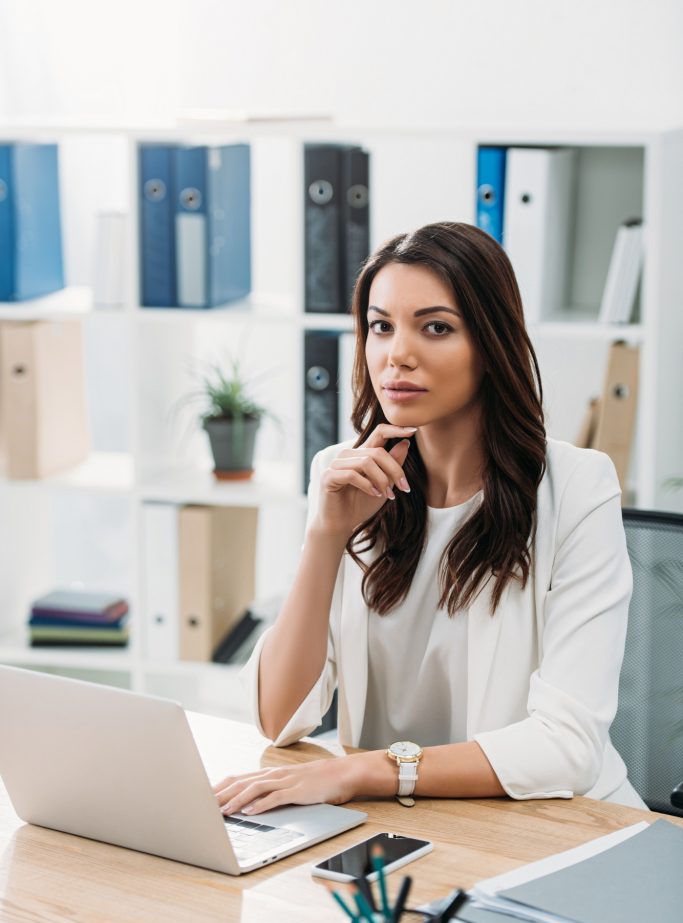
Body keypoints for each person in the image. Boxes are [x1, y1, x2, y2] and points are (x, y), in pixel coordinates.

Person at [213, 221, 645, 816]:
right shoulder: (345, 476)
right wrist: (325, 536)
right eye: (380, 326)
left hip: (548, 824)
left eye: (436, 327)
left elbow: (567, 746)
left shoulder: (576, 489)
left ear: (491, 346)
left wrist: (366, 771)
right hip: (400, 823)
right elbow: (279, 718)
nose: (398, 354)